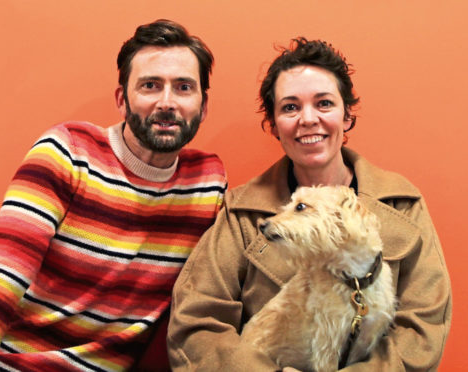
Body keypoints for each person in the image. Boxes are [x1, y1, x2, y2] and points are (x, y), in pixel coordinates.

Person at [0, 19, 227, 372]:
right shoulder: (68, 152)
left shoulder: (208, 184)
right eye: (150, 86)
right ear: (122, 99)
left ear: (203, 106)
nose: (167, 102)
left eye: (183, 87)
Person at [167, 37, 451, 371]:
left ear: (347, 115)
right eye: (290, 107)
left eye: (324, 103)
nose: (308, 119)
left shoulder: (403, 204)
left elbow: (422, 332)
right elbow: (197, 324)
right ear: (274, 126)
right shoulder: (242, 213)